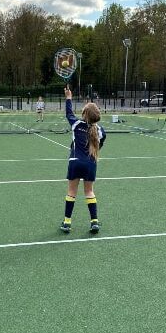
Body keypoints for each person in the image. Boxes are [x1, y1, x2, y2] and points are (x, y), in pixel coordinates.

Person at [60, 84, 106, 234]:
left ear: (85, 114)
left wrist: (68, 97)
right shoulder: (100, 130)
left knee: (71, 192)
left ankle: (67, 223)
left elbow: (69, 113)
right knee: (89, 192)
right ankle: (94, 222)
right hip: (90, 164)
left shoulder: (76, 124)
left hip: (75, 163)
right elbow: (100, 144)